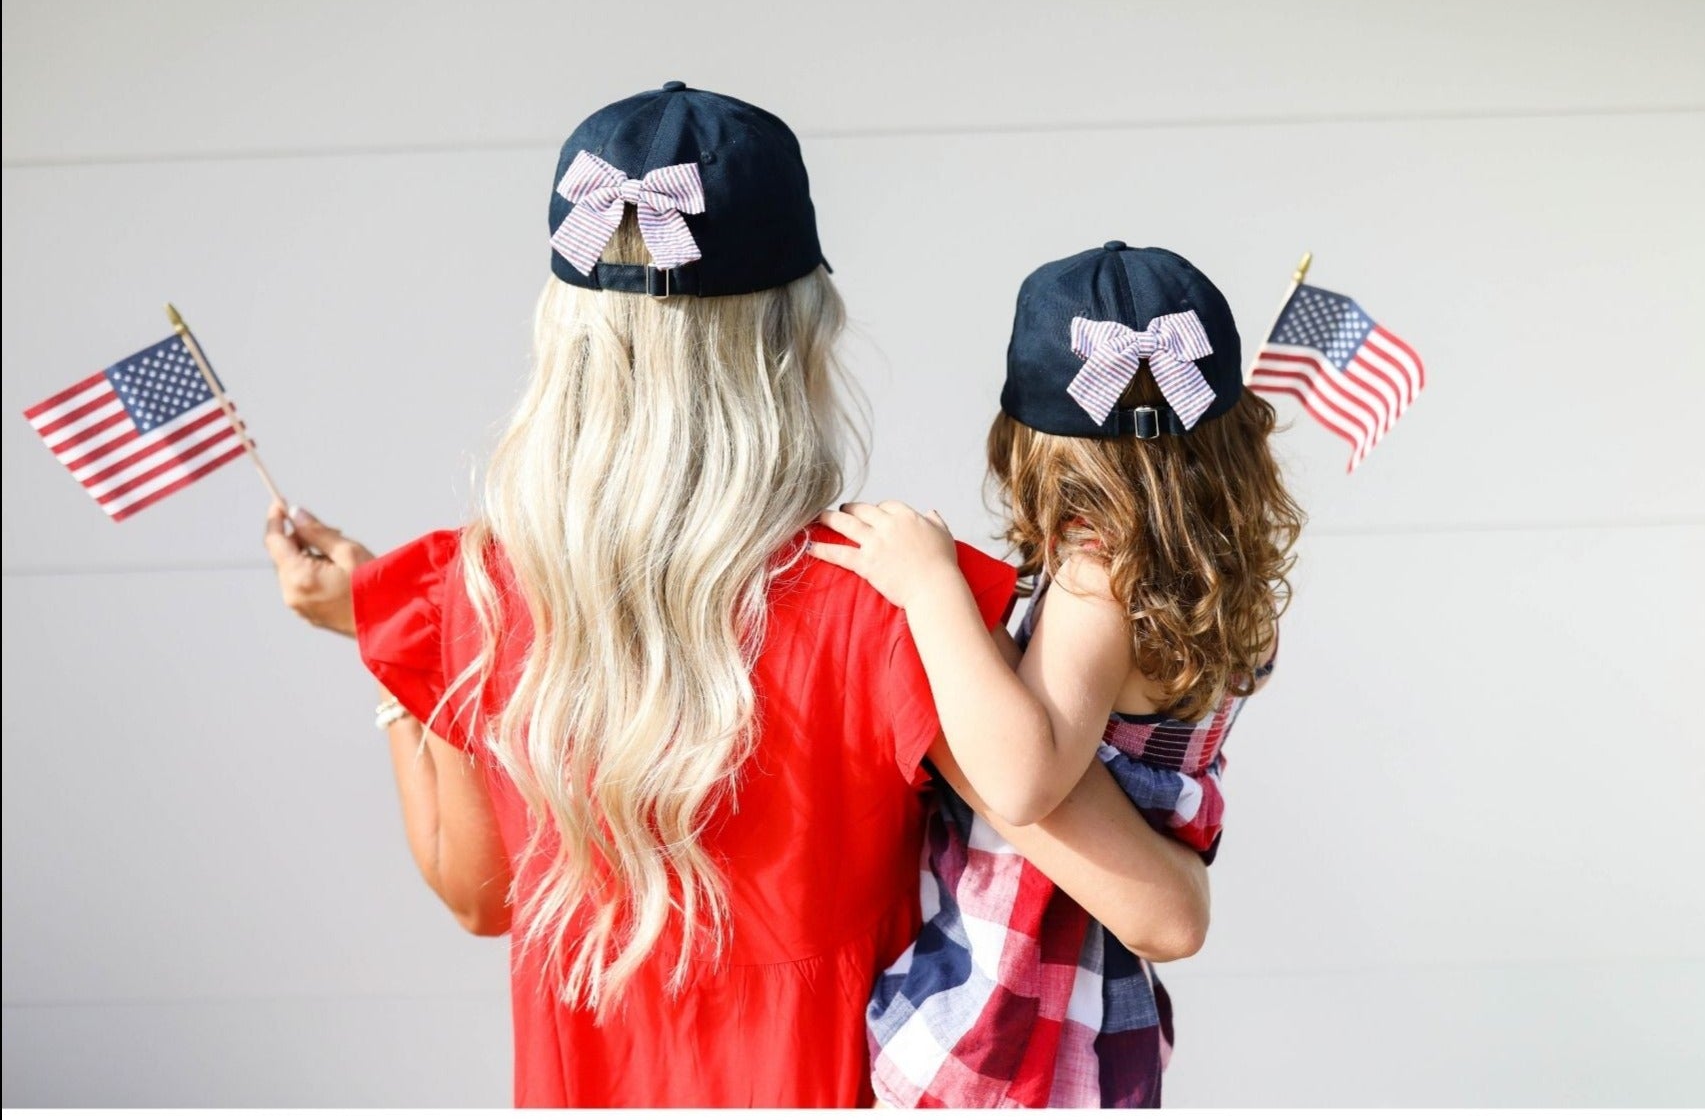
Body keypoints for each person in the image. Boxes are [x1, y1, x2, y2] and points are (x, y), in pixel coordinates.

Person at [263, 86, 1213, 1107]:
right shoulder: (886, 601)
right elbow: (1160, 912)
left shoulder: (472, 590)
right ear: (792, 339)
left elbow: (480, 891)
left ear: (567, 334)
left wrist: (392, 644)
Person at [813, 244, 1305, 1107]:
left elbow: (1023, 778)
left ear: (1033, 443)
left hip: (1005, 1022)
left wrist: (929, 586)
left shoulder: (1098, 571)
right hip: (1094, 1016)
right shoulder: (1190, 582)